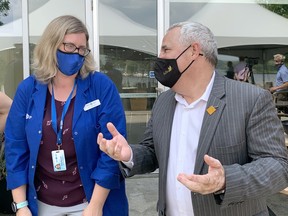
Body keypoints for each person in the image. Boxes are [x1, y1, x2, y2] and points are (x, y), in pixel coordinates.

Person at [97, 22, 288, 216]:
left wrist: (225, 180)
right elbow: (153, 151)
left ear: (194, 51)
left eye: (165, 49)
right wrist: (128, 154)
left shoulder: (250, 99)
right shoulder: (164, 101)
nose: (160, 57)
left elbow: (278, 167)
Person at [4, 15, 128, 216]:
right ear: (51, 46)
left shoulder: (101, 87)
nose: (77, 54)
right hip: (41, 203)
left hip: (91, 202)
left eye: (82, 49)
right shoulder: (28, 89)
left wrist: (95, 206)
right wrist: (21, 206)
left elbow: (111, 150)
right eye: (70, 47)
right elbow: (15, 147)